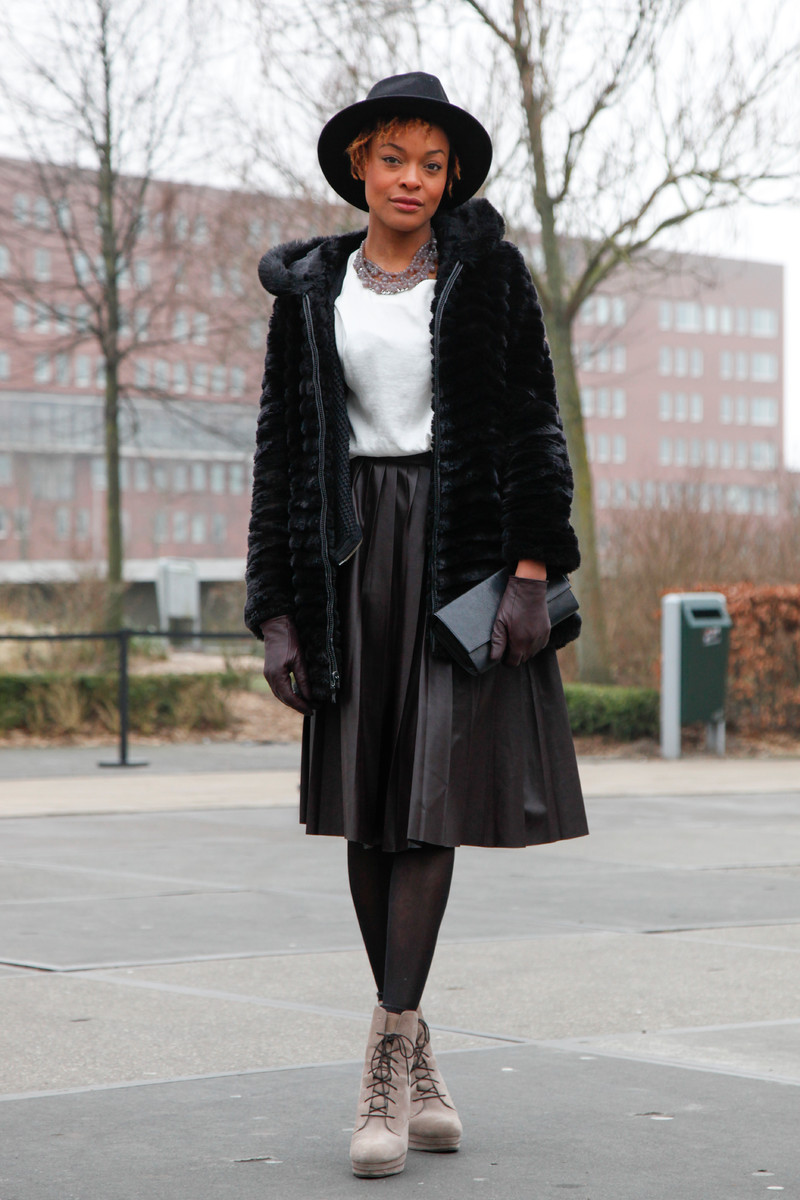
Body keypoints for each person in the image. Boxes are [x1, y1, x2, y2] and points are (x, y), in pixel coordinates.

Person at [245, 72, 588, 1179]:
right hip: (348, 565)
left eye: (431, 164)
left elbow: (533, 425)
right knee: (368, 811)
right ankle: (419, 1054)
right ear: (360, 166)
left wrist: (530, 573)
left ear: (451, 178)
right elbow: (282, 454)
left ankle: (384, 1061)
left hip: (456, 557)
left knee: (430, 804)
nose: (411, 179)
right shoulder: (310, 291)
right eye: (393, 158)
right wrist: (277, 612)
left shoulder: (490, 276)